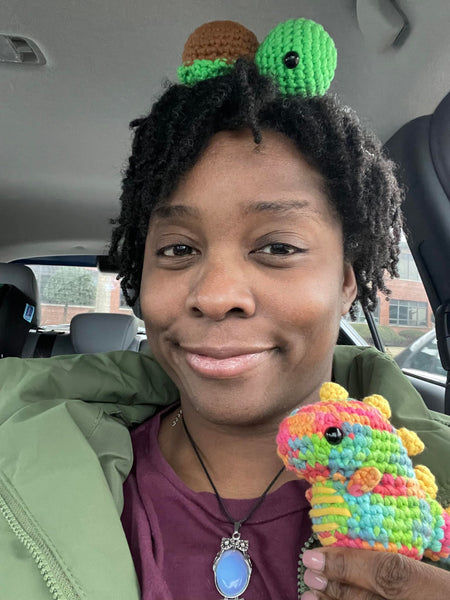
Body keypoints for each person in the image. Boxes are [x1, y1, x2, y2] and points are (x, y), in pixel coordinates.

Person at [1, 25, 450, 600]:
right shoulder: (16, 468)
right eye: (178, 249)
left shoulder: (424, 490)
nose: (215, 295)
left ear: (345, 282)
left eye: (278, 247)